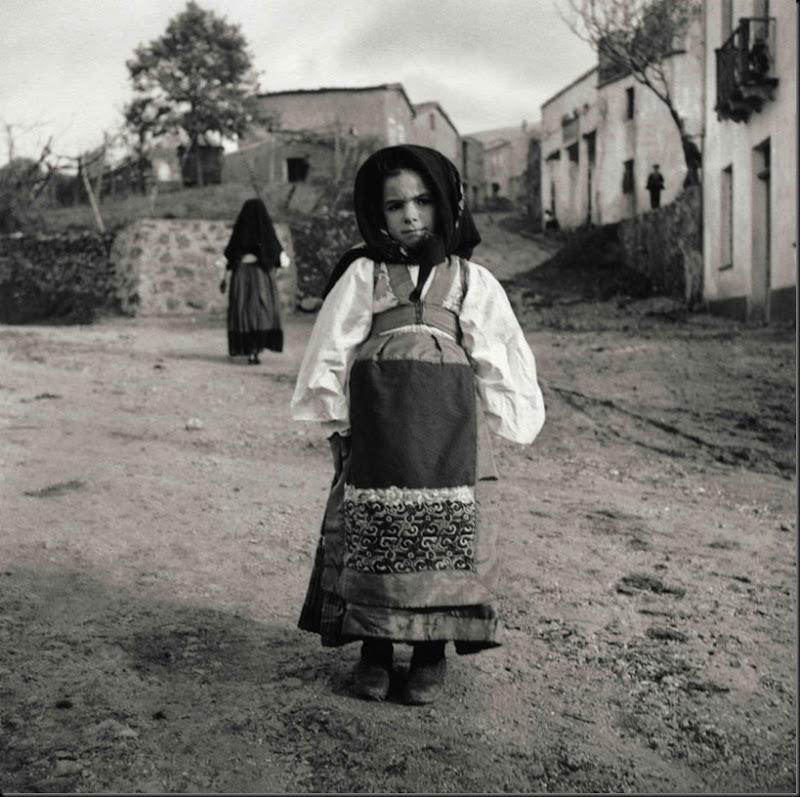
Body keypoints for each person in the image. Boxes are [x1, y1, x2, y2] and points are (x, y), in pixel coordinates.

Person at [291, 144, 545, 705]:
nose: (411, 215)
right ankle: (375, 650)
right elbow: (331, 347)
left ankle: (431, 653)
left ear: (448, 203)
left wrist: (509, 415)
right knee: (376, 533)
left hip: (450, 434)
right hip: (380, 431)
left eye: (424, 201)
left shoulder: (470, 282)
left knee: (447, 537)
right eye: (395, 205)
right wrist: (335, 423)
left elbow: (501, 351)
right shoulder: (365, 275)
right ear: (375, 215)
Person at [220, 198, 289, 364]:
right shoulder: (265, 232)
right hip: (261, 277)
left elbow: (228, 257)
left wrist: (223, 278)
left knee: (243, 310)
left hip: (241, 277)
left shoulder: (240, 232)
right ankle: (256, 350)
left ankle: (250, 349)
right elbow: (281, 260)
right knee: (261, 310)